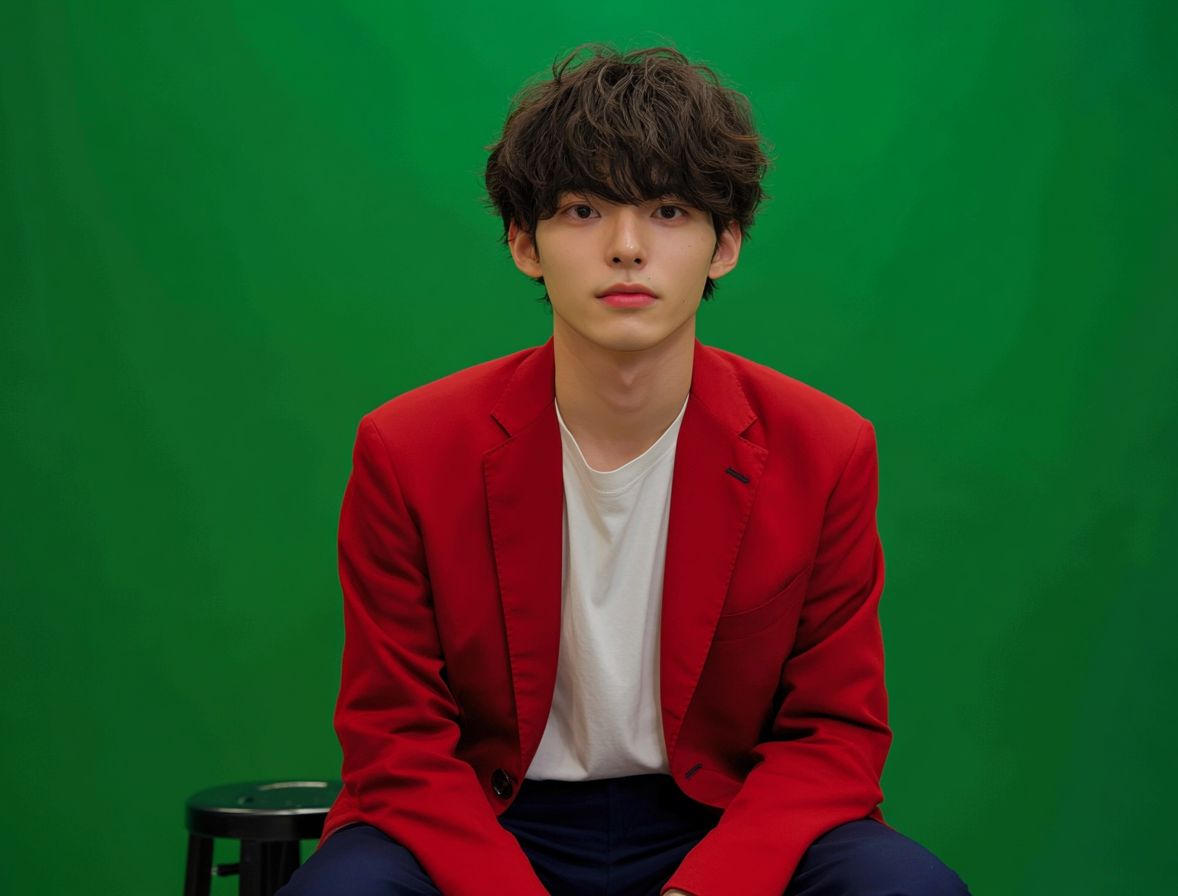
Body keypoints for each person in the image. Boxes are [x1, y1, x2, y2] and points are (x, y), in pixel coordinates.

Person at [280, 44, 969, 896]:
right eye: (582, 210)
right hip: (488, 817)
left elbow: (834, 734)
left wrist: (707, 888)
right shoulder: (408, 448)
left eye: (672, 211)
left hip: (721, 817)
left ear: (726, 245)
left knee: (908, 889)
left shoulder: (823, 448)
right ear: (524, 244)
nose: (628, 247)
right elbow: (395, 739)